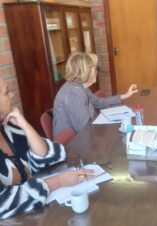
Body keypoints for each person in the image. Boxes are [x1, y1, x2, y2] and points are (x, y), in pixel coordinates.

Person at [0, 77, 94, 219]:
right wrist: (58, 181)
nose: (12, 95)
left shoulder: (8, 127)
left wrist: (24, 125)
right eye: (7, 92)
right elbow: (3, 203)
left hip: (35, 215)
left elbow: (51, 157)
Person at [53, 52, 138, 137]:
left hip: (81, 137)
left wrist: (125, 95)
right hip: (71, 144)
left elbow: (98, 102)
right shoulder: (74, 93)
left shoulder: (79, 86)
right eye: (95, 68)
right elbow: (84, 129)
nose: (97, 71)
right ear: (86, 71)